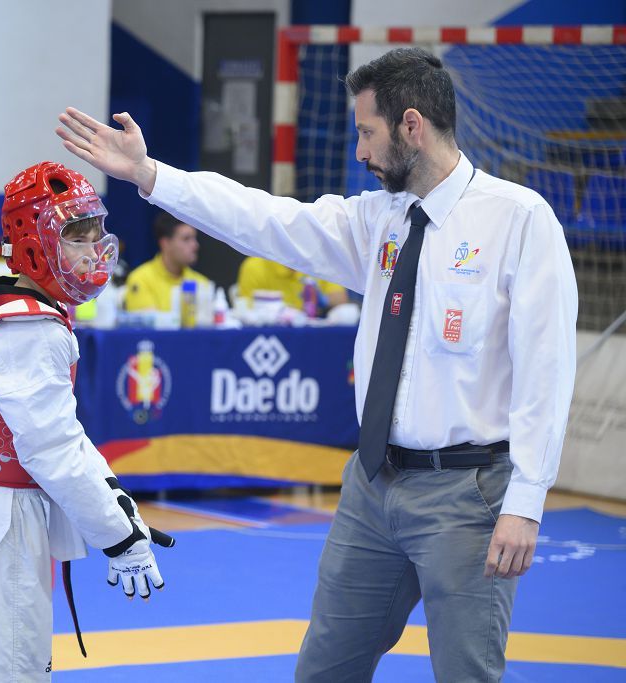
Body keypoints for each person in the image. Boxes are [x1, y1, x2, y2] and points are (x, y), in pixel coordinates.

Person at [57, 46, 577, 682]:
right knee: (325, 668)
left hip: (467, 495)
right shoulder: (379, 221)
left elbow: (546, 371)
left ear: (412, 126)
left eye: (368, 132)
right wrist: (152, 176)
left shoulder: (519, 221)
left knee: (467, 673)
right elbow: (265, 218)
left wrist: (526, 500)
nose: (359, 151)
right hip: (373, 484)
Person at [0, 161, 174, 682]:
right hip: (0, 523)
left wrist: (124, 516)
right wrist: (118, 538)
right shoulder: (31, 329)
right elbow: (53, 451)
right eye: (77, 235)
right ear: (33, 244)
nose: (94, 249)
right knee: (9, 668)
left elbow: (64, 439)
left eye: (97, 232)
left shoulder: (8, 312)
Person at [123, 210, 209, 312]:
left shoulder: (201, 283)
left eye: (194, 238)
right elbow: (148, 326)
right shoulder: (141, 279)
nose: (195, 245)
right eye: (186, 239)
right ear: (165, 243)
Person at [237, 256, 348, 316]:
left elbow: (341, 299)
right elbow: (245, 307)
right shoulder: (254, 266)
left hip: (311, 331)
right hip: (271, 331)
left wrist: (324, 299)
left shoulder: (321, 261)